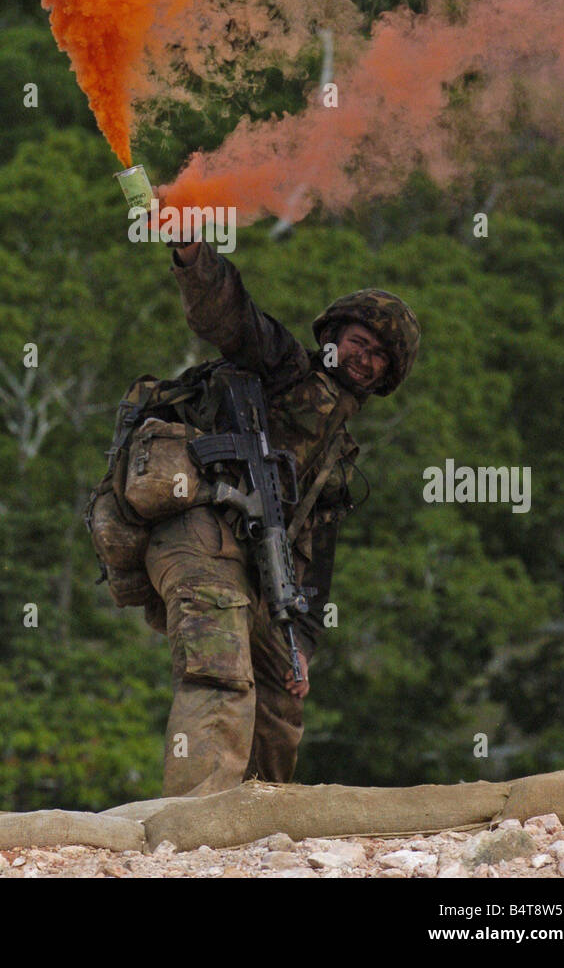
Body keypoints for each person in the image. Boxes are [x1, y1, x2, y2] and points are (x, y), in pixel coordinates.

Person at [144, 226, 420, 796]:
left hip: (255, 566)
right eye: (357, 343)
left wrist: (303, 648)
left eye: (377, 357)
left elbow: (314, 563)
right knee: (219, 674)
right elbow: (231, 318)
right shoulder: (285, 367)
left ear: (388, 377)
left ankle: (258, 820)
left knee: (280, 700)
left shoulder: (340, 457)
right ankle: (195, 825)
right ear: (333, 338)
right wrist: (193, 256)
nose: (362, 360)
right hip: (198, 532)